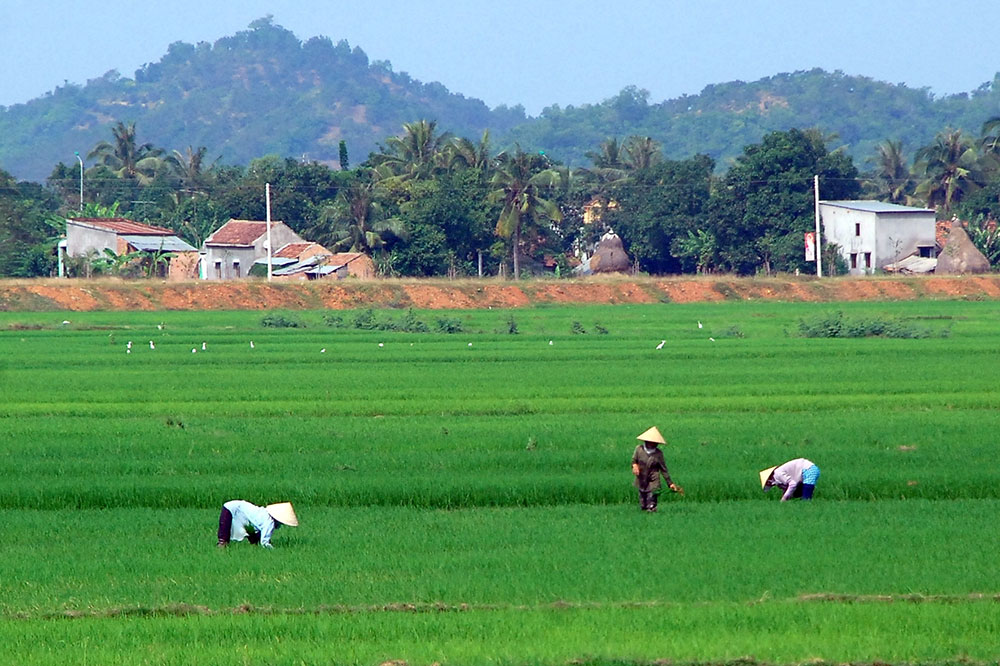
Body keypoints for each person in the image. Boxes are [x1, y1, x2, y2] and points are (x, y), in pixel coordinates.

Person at [631, 426, 683, 512]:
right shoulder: (639, 449)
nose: (654, 444)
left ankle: (652, 512)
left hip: (653, 480)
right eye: (652, 442)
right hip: (642, 479)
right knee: (643, 505)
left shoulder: (658, 454)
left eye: (655, 442)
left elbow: (664, 470)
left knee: (651, 504)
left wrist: (670, 483)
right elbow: (633, 461)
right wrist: (635, 466)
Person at [217, 500, 298, 548]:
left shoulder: (264, 512)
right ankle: (220, 552)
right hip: (232, 509)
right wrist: (273, 549)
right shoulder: (269, 522)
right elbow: (264, 542)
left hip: (234, 506)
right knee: (223, 540)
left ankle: (253, 547)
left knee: (254, 536)